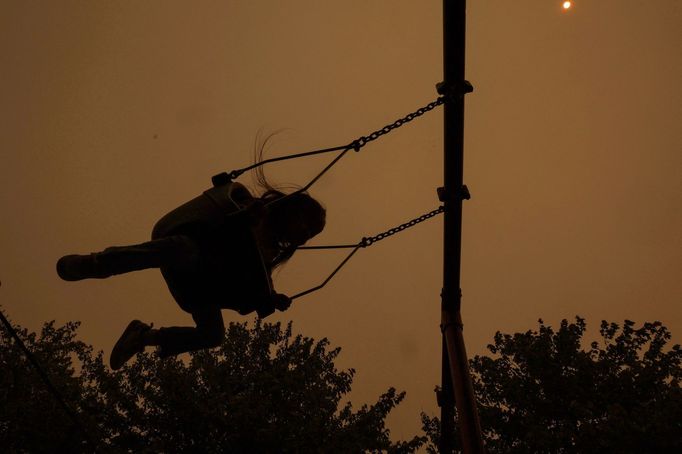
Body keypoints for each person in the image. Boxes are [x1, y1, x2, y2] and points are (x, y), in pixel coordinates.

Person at [56, 174, 326, 370]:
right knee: (183, 249)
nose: (303, 234)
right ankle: (97, 264)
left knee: (213, 335)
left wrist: (271, 298)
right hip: (187, 246)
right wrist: (246, 216)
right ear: (291, 210)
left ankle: (143, 336)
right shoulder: (253, 208)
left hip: (203, 284)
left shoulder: (268, 255)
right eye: (305, 225)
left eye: (309, 234)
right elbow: (222, 216)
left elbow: (253, 282)